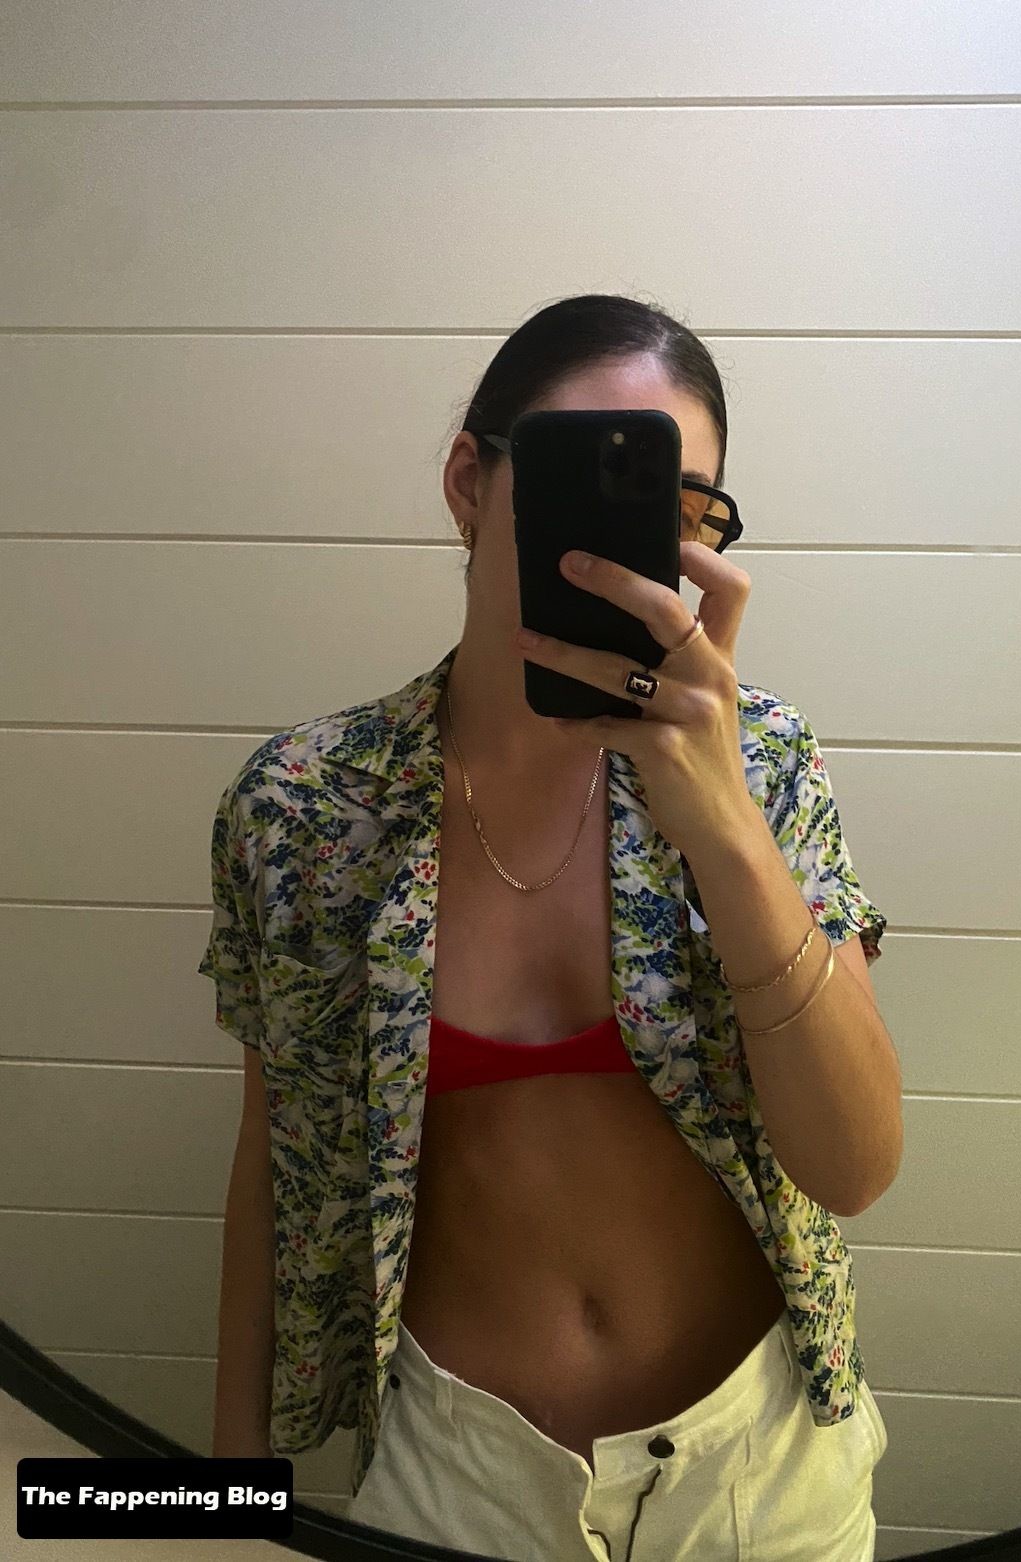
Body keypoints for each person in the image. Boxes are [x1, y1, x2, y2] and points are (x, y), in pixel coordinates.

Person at [201, 293, 901, 1562]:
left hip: (756, 1475)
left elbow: (851, 1165)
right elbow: (273, 1158)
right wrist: (227, 1494)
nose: (625, 537)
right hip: (451, 1483)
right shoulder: (305, 808)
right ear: (468, 482)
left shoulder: (764, 761)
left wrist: (726, 831)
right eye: (587, 476)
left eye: (677, 505)